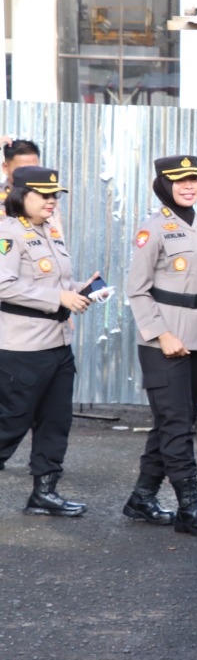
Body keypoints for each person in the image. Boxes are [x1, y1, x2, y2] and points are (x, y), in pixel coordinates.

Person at [122, 155, 197, 536]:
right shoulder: (154, 229)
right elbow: (136, 289)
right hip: (162, 343)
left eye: (194, 179)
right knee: (178, 425)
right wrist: (160, 334)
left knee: (171, 423)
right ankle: (190, 506)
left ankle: (142, 498)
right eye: (180, 180)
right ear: (165, 185)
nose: (188, 186)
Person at [0, 166, 91, 515]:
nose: (52, 201)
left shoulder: (49, 231)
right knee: (10, 424)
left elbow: (53, 283)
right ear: (21, 194)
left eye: (55, 195)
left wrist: (78, 290)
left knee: (56, 421)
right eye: (45, 194)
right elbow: (4, 284)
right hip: (22, 348)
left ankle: (45, 492)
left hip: (57, 344)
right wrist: (58, 300)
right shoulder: (8, 234)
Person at [0, 139, 42, 216]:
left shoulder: (46, 197)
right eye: (22, 170)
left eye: (34, 169)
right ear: (5, 168)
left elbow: (55, 226)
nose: (29, 174)